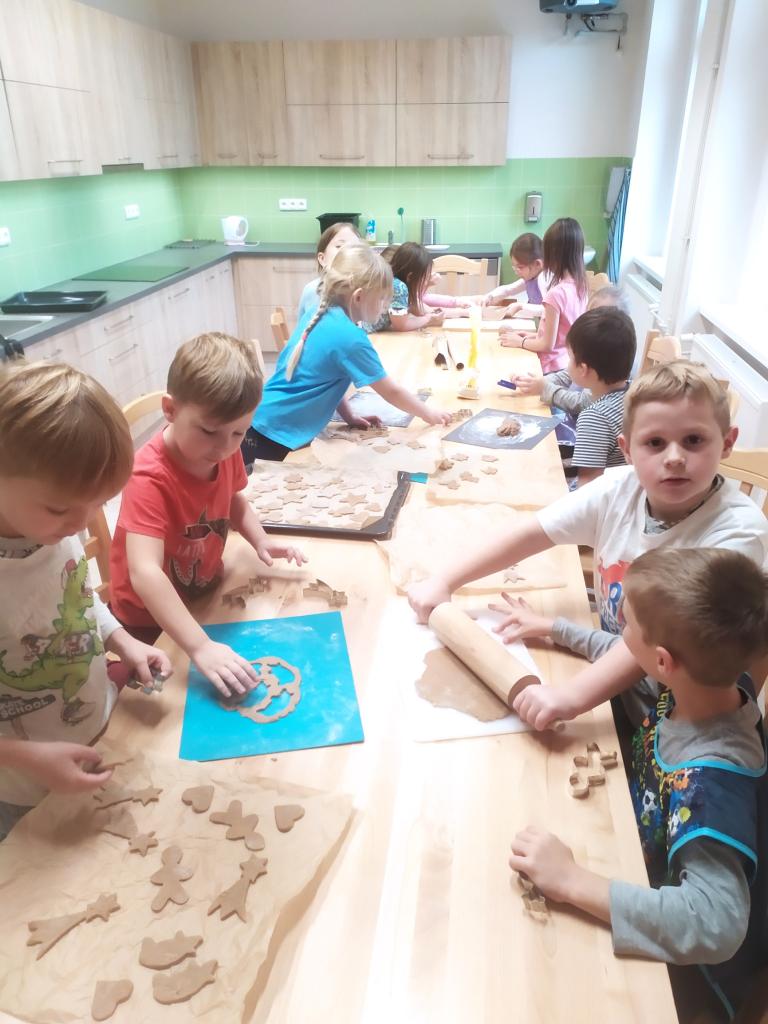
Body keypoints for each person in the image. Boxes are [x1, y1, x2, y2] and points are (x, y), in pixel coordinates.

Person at [409, 360, 768, 729]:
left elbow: (665, 639)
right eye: (655, 443)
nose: (674, 457)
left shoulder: (737, 534)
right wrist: (445, 580)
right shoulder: (617, 490)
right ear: (627, 450)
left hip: (673, 725)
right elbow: (532, 532)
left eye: (693, 440)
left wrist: (571, 695)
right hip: (619, 680)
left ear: (727, 443)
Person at [509, 547, 768, 1021]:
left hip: (692, 974)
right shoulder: (707, 687)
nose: (620, 632)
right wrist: (554, 628)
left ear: (664, 661)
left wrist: (572, 881)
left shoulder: (710, 786)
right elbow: (628, 653)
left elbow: (716, 926)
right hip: (645, 859)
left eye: (627, 623)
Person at [0, 361, 172, 840]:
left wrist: (121, 640)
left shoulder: (51, 528)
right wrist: (24, 758)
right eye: (61, 508)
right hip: (17, 785)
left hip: (97, 727)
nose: (80, 523)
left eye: (97, 504)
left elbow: (75, 597)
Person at [110, 332, 305, 698]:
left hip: (203, 596)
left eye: (239, 433)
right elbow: (144, 572)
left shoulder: (223, 450)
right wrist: (199, 646)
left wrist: (260, 539)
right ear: (170, 410)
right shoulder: (148, 477)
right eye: (210, 431)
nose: (224, 447)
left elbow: (233, 499)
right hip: (149, 622)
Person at [242, 245, 452, 464]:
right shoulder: (350, 338)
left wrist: (348, 415)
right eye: (381, 299)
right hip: (273, 437)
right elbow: (392, 391)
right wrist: (429, 414)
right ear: (359, 297)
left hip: (260, 419)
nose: (385, 307)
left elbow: (328, 376)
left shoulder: (319, 314)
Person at [509, 281, 629, 416]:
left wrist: (545, 388)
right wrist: (536, 382)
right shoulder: (591, 344)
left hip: (578, 419)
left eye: (599, 320)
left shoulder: (615, 361)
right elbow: (568, 374)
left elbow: (584, 403)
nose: (591, 323)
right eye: (590, 316)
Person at [498, 218, 588, 374]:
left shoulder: (556, 294)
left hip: (551, 369)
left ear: (553, 254)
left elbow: (547, 346)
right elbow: (561, 336)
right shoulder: (581, 286)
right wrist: (533, 336)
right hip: (568, 363)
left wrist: (521, 342)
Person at [561, 308, 635, 486]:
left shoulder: (594, 418)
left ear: (583, 369)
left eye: (570, 357)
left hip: (611, 498)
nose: (568, 364)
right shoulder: (636, 393)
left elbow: (588, 487)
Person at [297, 222, 361, 324]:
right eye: (339, 246)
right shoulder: (314, 290)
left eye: (354, 248)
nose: (347, 251)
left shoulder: (361, 289)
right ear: (322, 259)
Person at [478, 232, 549, 316]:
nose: (516, 271)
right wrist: (490, 296)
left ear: (537, 264)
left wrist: (520, 307)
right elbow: (508, 290)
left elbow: (548, 310)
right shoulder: (531, 278)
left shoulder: (544, 279)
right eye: (515, 267)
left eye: (520, 267)